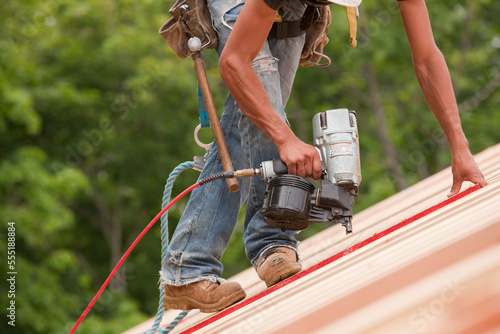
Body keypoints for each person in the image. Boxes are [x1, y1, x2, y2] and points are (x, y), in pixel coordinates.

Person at [160, 0, 487, 313]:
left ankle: (230, 253)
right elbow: (233, 62)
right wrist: (286, 140)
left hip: (295, 6)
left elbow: (427, 57)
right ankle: (230, 253)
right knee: (261, 107)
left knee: (256, 113)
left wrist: (459, 145)